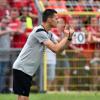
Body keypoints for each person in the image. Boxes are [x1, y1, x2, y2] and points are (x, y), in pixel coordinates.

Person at [12, 9, 74, 100]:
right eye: (56, 18)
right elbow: (55, 48)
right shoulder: (39, 31)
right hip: (22, 68)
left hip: (27, 70)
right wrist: (65, 37)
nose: (58, 21)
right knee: (23, 98)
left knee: (23, 98)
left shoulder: (49, 34)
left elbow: (59, 50)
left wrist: (69, 38)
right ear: (49, 19)